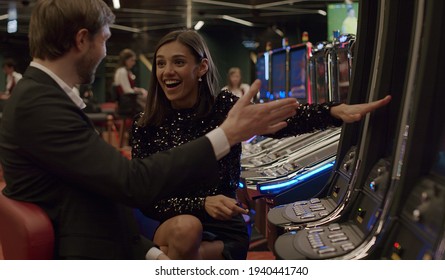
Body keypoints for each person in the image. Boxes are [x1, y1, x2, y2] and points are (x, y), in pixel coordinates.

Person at [0, 0, 300, 260]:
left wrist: (151, 253)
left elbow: (102, 192)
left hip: (106, 242)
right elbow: (132, 183)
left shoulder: (42, 97)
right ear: (81, 40)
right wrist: (227, 134)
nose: (105, 52)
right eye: (104, 40)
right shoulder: (39, 104)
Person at [131, 29, 392, 260]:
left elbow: (281, 122)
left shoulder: (223, 107)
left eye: (178, 62)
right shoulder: (145, 124)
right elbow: (144, 196)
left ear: (202, 68)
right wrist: (201, 203)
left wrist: (335, 111)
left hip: (222, 225)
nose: (167, 71)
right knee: (187, 232)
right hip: (167, 221)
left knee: (187, 252)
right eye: (161, 64)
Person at [113, 48, 148, 116]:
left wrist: (140, 90)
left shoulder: (126, 71)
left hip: (129, 99)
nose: (133, 63)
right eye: (132, 60)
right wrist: (139, 92)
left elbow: (130, 87)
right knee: (150, 99)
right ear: (125, 60)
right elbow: (127, 90)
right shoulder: (122, 71)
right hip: (127, 102)